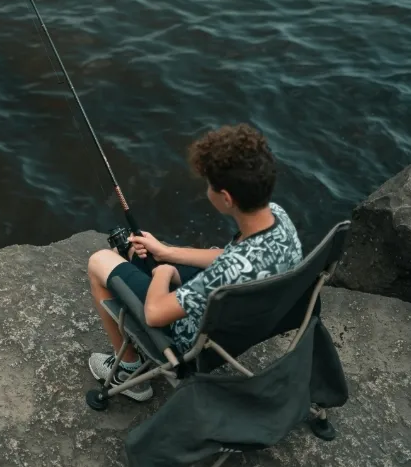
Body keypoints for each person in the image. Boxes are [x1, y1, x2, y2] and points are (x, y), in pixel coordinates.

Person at [87, 123, 303, 401]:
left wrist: (164, 273)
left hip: (192, 341)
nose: (207, 190)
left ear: (226, 198)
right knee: (136, 253)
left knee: (100, 261)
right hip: (248, 321)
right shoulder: (277, 218)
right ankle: (142, 262)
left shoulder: (225, 274)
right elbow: (230, 257)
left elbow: (155, 313)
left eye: (209, 185)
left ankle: (128, 371)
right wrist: (167, 252)